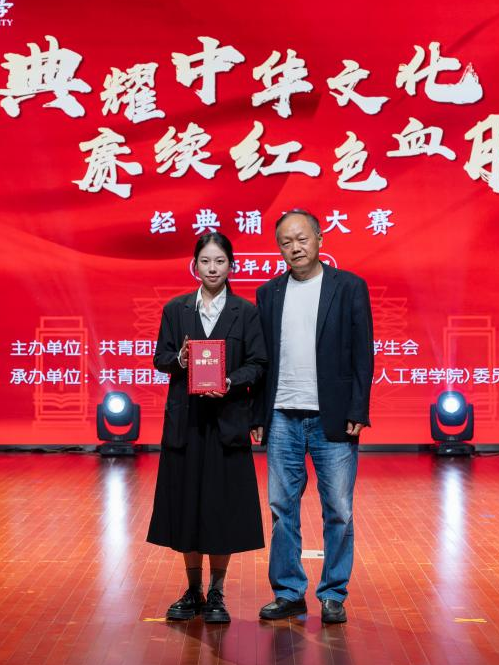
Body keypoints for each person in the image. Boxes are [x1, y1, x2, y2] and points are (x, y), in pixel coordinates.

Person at [252, 209, 373, 624]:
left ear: (320, 239)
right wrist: (258, 415)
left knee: (338, 508)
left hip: (333, 416)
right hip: (281, 415)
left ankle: (333, 593)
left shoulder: (349, 287)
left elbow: (363, 353)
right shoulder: (268, 293)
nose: (295, 247)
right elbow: (261, 360)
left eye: (302, 239)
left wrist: (358, 408)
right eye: (286, 242)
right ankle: (288, 592)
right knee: (281, 507)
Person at [147, 232, 269, 623]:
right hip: (186, 422)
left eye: (220, 261)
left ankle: (217, 591)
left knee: (222, 507)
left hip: (226, 421)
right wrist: (181, 359)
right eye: (205, 261)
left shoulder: (245, 312)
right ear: (194, 266)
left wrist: (230, 381)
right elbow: (160, 358)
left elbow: (258, 363)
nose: (212, 268)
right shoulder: (176, 309)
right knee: (187, 506)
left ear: (231, 265)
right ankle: (192, 589)